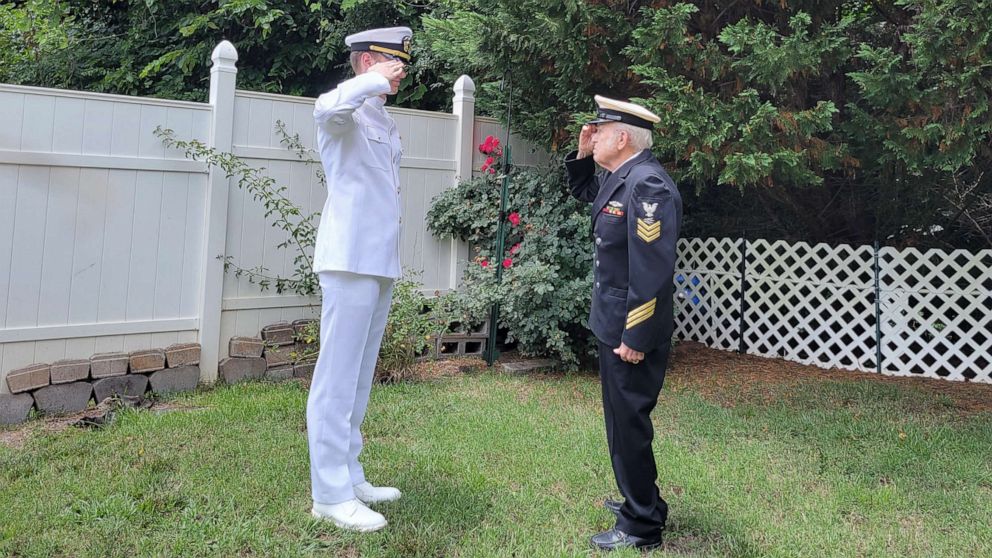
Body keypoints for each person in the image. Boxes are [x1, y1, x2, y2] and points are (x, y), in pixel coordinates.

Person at [564, 95, 683, 550]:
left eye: (598, 131)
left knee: (628, 425)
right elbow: (587, 195)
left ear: (622, 138)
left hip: (630, 331)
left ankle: (641, 525)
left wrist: (635, 334)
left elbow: (651, 272)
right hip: (612, 322)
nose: (591, 135)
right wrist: (581, 156)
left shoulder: (647, 186)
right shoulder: (623, 178)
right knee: (620, 421)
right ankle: (643, 502)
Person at [307, 26, 412, 532]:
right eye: (393, 62)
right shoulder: (343, 112)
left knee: (359, 377)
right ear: (369, 61)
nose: (401, 72)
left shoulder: (383, 120)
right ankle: (329, 494)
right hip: (348, 259)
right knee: (337, 377)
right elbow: (326, 107)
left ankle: (349, 475)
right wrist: (371, 80)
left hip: (378, 260)